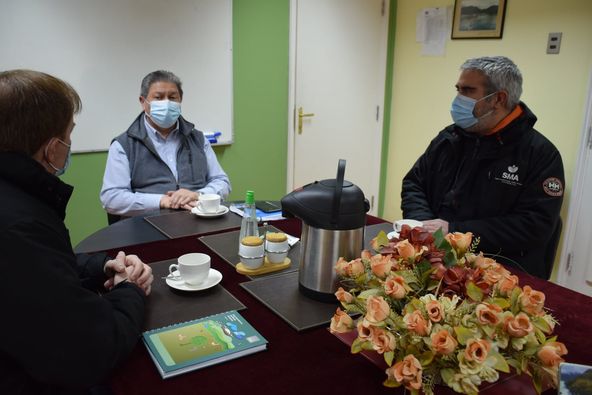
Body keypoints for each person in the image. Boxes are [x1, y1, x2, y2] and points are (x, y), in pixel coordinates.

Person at [0, 69, 154, 394]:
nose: (70, 143)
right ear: (53, 148)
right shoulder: (19, 224)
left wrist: (101, 267)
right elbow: (90, 348)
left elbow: (44, 266)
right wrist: (130, 289)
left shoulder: (17, 204)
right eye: (69, 133)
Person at [401, 56, 564, 279]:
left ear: (498, 98)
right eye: (458, 89)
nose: (458, 99)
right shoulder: (450, 138)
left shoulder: (541, 154)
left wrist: (454, 232)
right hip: (435, 259)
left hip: (499, 274)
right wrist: (424, 229)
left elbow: (534, 226)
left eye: (467, 91)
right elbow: (414, 182)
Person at [100, 70, 231, 217]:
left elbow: (222, 182)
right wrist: (162, 201)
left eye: (172, 97)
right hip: (147, 229)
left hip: (198, 224)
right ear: (143, 102)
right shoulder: (123, 145)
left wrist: (198, 195)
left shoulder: (198, 139)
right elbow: (111, 197)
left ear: (180, 100)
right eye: (159, 97)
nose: (166, 103)